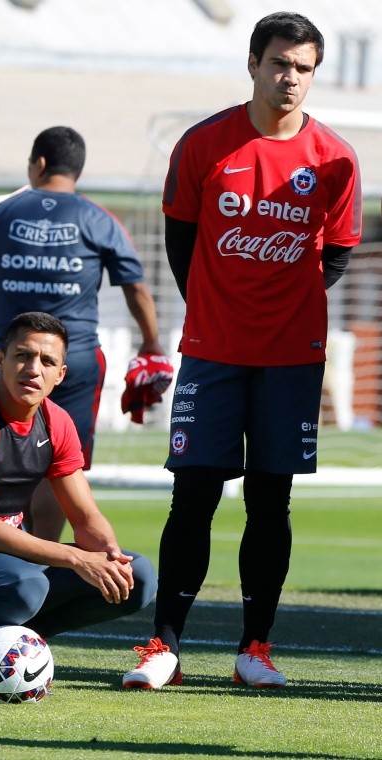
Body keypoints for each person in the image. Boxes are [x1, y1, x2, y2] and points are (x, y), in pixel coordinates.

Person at [123, 11, 362, 690]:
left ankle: (255, 648)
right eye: (279, 63)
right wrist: (217, 304)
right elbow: (180, 240)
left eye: (303, 68)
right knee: (193, 493)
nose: (290, 78)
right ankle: (163, 647)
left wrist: (285, 306)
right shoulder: (203, 144)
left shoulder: (336, 158)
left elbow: (338, 253)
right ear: (254, 64)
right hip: (214, 351)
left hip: (292, 358)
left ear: (314, 75)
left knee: (270, 500)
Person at [0, 311, 158, 699]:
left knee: (137, 577)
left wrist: (108, 555)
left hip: (7, 565)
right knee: (25, 586)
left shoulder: (57, 422)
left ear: (60, 374)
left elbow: (85, 516)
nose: (33, 369)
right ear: (0, 360)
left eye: (47, 361)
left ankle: (14, 638)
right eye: (23, 356)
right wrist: (77, 559)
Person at [0, 125, 169, 541]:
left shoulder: (2, 214)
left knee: (5, 452)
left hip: (13, 358)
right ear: (77, 170)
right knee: (60, 463)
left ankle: (13, 550)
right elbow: (137, 290)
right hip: (73, 361)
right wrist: (150, 343)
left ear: (38, 164)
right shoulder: (99, 219)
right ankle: (44, 553)